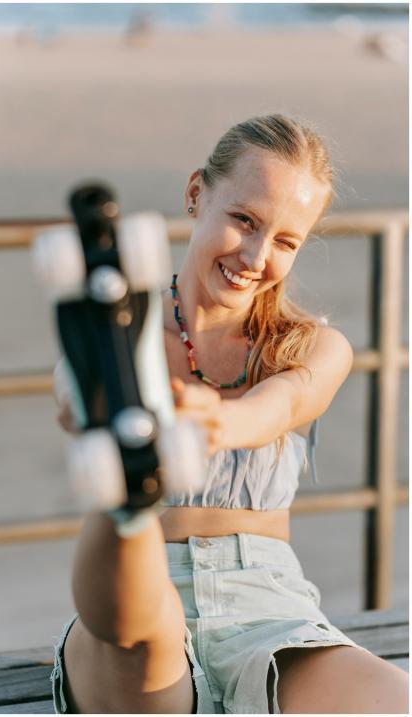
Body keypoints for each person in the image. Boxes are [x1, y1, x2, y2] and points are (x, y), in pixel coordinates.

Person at [51, 115, 408, 714]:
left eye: (285, 241)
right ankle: (133, 500)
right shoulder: (116, 343)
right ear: (196, 194)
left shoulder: (314, 348)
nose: (255, 255)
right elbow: (71, 393)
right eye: (243, 219)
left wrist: (216, 421)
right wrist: (100, 405)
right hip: (138, 593)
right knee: (141, 626)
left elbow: (284, 404)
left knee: (392, 700)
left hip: (270, 608)